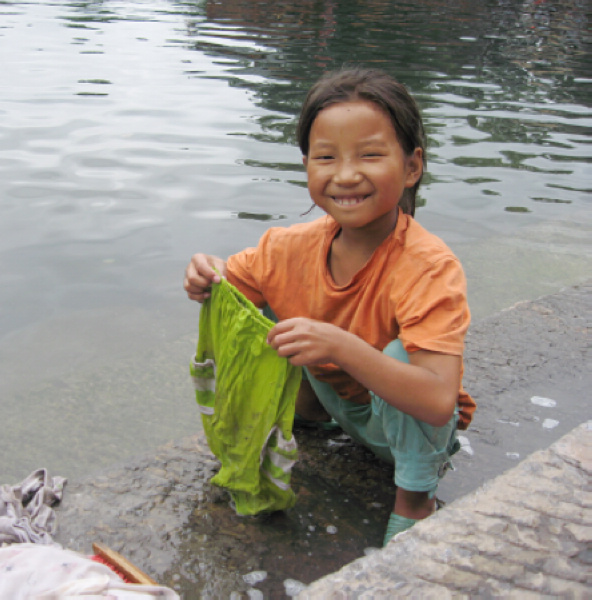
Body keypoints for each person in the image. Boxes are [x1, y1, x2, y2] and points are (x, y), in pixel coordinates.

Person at [183, 67, 476, 546]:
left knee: (402, 354)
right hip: (331, 402)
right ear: (307, 166)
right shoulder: (285, 248)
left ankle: (415, 502)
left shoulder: (429, 267)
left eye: (370, 155)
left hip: (397, 423)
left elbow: (438, 401)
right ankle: (293, 419)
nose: (346, 175)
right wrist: (203, 275)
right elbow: (226, 288)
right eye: (326, 157)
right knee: (260, 314)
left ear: (411, 166)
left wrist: (339, 345)